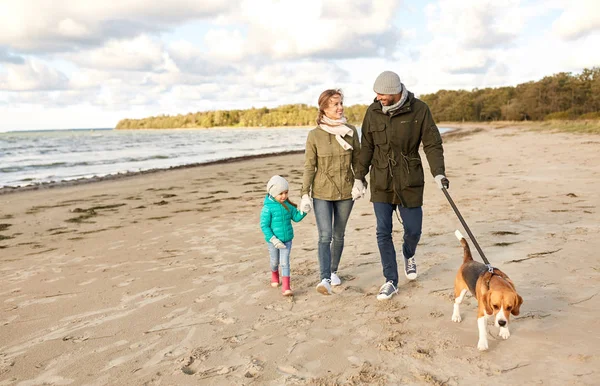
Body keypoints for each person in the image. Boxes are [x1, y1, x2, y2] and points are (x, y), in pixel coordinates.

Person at [354, 71, 449, 301]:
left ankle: (409, 254)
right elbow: (366, 146)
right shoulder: (373, 111)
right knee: (382, 231)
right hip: (381, 179)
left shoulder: (419, 110)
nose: (378, 98)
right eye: (376, 93)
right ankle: (390, 281)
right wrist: (359, 176)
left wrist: (439, 173)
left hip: (409, 179)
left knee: (414, 230)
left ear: (396, 91)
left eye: (382, 94)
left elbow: (432, 144)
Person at [299, 89, 363, 296]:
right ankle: (324, 278)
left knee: (339, 234)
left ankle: (334, 271)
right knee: (325, 236)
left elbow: (358, 162)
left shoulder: (351, 130)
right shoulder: (314, 135)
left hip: (346, 192)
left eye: (341, 103)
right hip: (321, 193)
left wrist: (360, 181)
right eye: (335, 104)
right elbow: (310, 166)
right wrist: (304, 193)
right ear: (324, 108)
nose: (340, 107)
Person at [260, 175, 307, 296]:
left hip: (286, 241)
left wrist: (304, 211)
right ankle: (274, 275)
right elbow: (264, 226)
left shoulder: (288, 205)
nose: (284, 196)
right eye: (281, 193)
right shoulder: (267, 208)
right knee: (275, 261)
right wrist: (273, 239)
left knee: (285, 262)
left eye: (286, 192)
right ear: (273, 192)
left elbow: (296, 217)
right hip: (273, 241)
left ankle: (286, 287)